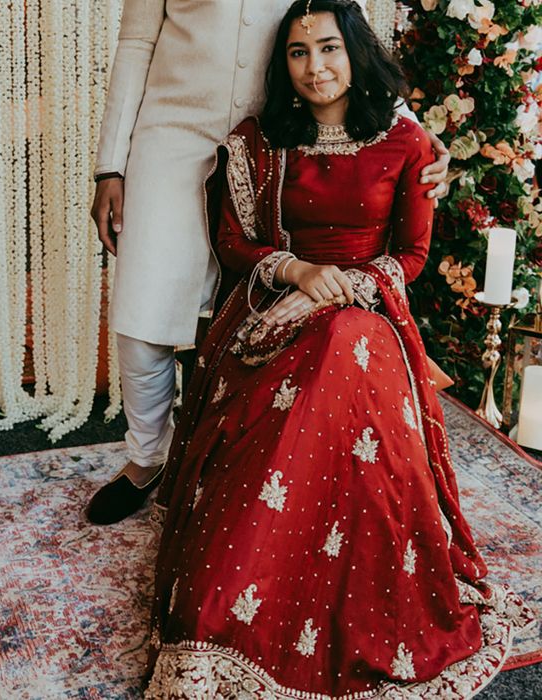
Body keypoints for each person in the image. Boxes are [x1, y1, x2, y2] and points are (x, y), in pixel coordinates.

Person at [143, 1, 534, 696]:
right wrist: (298, 275)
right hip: (275, 309)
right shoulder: (261, 140)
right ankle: (223, 618)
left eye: (329, 49)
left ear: (355, 51)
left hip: (369, 315)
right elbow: (235, 243)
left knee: (347, 343)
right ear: (281, 63)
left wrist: (344, 289)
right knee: (293, 394)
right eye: (298, 53)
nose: (316, 68)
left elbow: (411, 255)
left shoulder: (405, 142)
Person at [86, 0, 452, 525]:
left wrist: (414, 130)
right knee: (144, 313)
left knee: (246, 305)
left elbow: (343, 32)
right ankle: (147, 460)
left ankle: (215, 458)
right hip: (171, 138)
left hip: (279, 133)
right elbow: (135, 47)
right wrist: (108, 169)